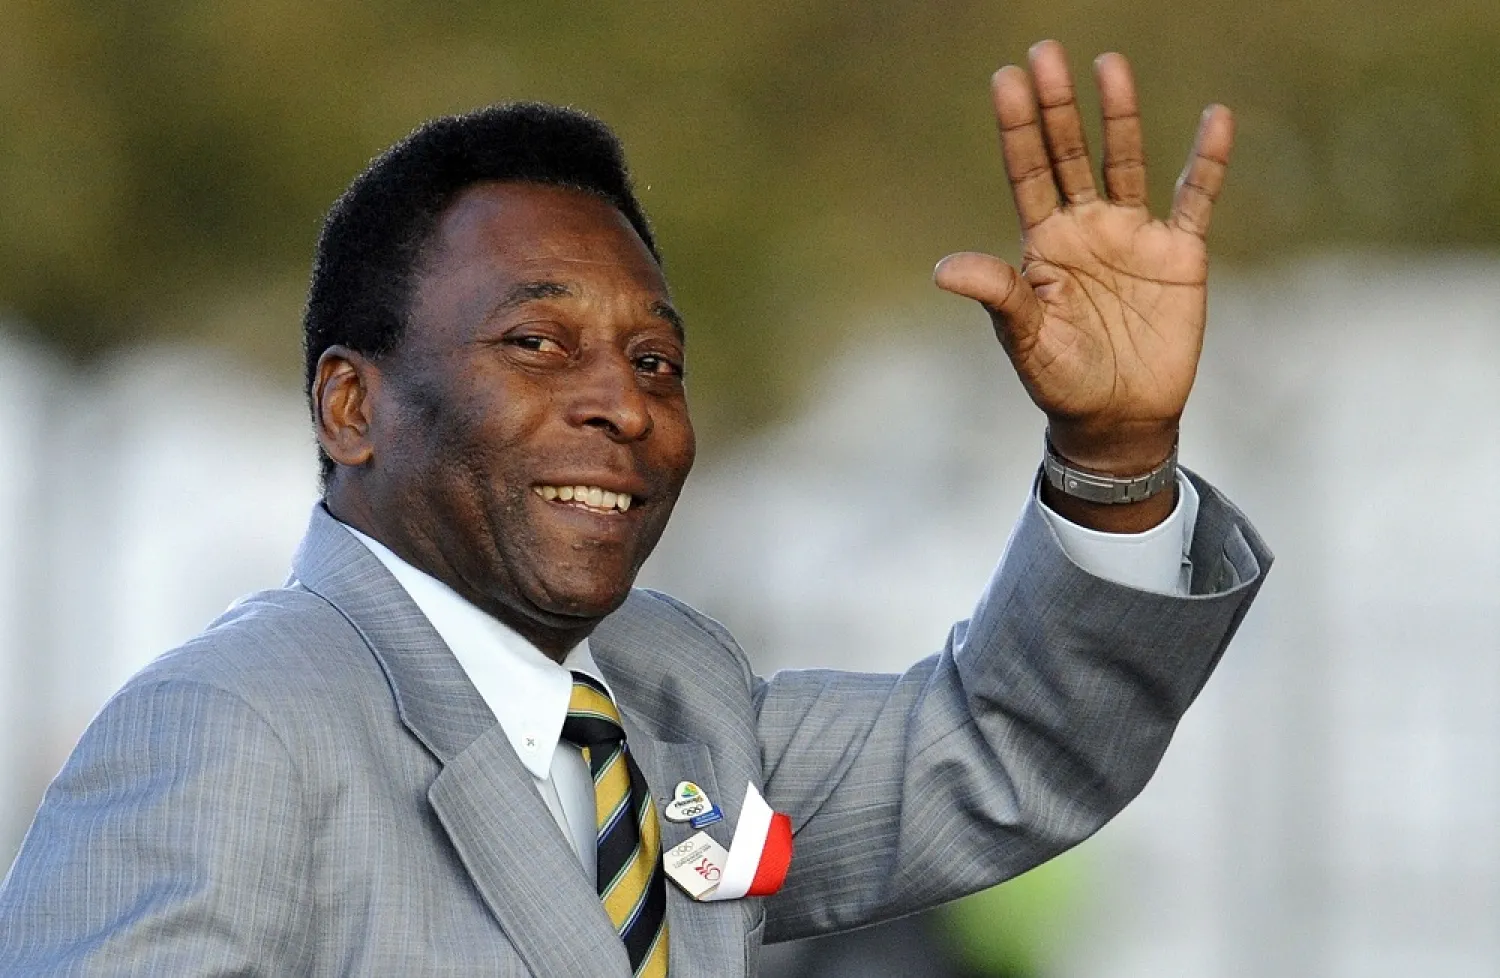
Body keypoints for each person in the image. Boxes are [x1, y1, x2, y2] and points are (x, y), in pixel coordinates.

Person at [0, 40, 1268, 977]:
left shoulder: (673, 703)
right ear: (350, 408)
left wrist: (1113, 449)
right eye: (538, 341)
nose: (624, 403)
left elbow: (1009, 755)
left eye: (656, 360)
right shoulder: (227, 731)